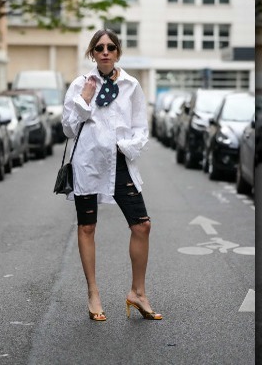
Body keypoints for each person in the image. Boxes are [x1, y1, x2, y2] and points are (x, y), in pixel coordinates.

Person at [61, 29, 162, 322]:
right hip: (88, 164)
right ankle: (93, 293)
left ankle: (137, 293)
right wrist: (84, 100)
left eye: (111, 47)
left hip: (119, 163)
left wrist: (125, 147)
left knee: (142, 225)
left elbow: (141, 128)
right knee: (88, 227)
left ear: (118, 52)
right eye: (99, 47)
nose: (105, 51)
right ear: (92, 53)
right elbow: (67, 129)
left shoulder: (131, 85)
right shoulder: (80, 84)